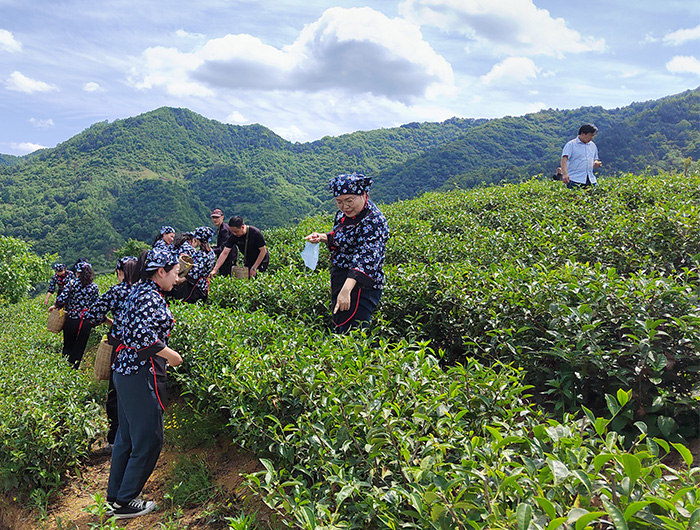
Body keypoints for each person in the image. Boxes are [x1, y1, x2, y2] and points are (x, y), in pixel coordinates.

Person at [106, 249, 182, 519]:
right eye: (175, 272)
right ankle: (126, 500)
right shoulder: (149, 297)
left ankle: (115, 497)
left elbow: (120, 332)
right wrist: (172, 356)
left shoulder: (136, 291)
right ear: (161, 271)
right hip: (140, 373)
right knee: (149, 437)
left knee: (127, 437)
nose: (177, 278)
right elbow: (143, 337)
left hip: (124, 371)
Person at [305, 173, 389, 333]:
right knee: (339, 324)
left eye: (349, 201)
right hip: (342, 278)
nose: (345, 207)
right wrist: (322, 237)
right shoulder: (343, 215)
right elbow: (342, 237)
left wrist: (346, 290)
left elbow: (366, 258)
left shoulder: (374, 221)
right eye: (339, 202)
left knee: (352, 330)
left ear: (363, 194)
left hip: (360, 284)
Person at [85, 256, 139, 449]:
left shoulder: (116, 291)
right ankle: (137, 435)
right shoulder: (146, 291)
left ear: (119, 272)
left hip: (120, 348)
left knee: (116, 391)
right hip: (144, 348)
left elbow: (93, 315)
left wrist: (111, 322)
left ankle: (116, 439)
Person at [49, 261, 99, 369]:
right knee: (80, 347)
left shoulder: (72, 284)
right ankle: (74, 368)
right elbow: (97, 305)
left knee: (68, 345)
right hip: (85, 321)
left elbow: (61, 299)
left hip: (72, 319)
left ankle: (65, 368)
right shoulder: (94, 287)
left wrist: (55, 306)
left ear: (77, 273)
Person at [172, 226, 216, 303]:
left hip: (196, 287)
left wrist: (179, 280)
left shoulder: (202, 254)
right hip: (204, 285)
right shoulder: (211, 252)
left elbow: (194, 273)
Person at [561, 124, 602, 188]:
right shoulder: (571, 145)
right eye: (590, 135)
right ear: (583, 134)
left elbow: (594, 160)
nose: (591, 138)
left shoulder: (592, 145)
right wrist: (565, 174)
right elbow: (564, 159)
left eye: (593, 135)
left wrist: (596, 163)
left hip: (591, 179)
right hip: (575, 179)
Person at [209, 208, 237, 277]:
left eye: (217, 217)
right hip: (226, 260)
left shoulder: (224, 230)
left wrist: (210, 250)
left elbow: (223, 248)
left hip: (228, 260)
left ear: (222, 217)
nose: (215, 220)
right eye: (213, 217)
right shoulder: (221, 228)